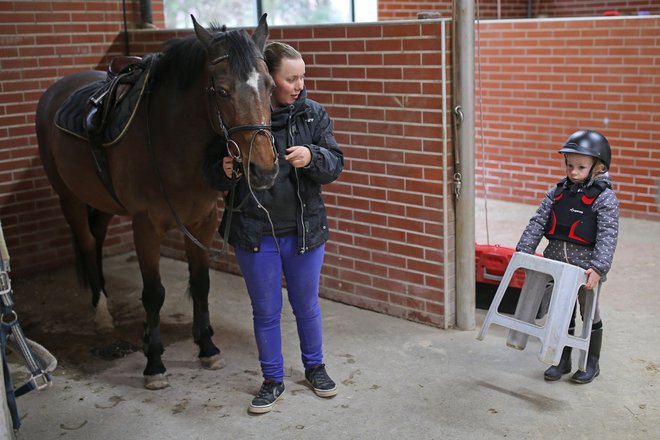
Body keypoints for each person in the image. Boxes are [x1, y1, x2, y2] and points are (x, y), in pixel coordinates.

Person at [204, 42, 343, 413]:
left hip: (303, 231)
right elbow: (209, 171)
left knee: (306, 305)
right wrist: (224, 170)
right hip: (255, 232)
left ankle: (315, 368)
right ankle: (272, 379)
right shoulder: (238, 115)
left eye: (302, 77)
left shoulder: (312, 115)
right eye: (291, 78)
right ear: (270, 79)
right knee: (265, 311)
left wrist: (313, 156)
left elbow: (335, 164)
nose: (299, 85)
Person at [515, 130, 619, 384]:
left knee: (588, 311)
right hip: (557, 263)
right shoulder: (557, 192)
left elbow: (608, 234)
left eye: (581, 167)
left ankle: (591, 362)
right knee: (561, 311)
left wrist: (599, 267)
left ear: (599, 167)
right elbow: (538, 221)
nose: (573, 172)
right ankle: (562, 359)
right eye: (570, 165)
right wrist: (523, 251)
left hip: (585, 268)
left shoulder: (604, 199)